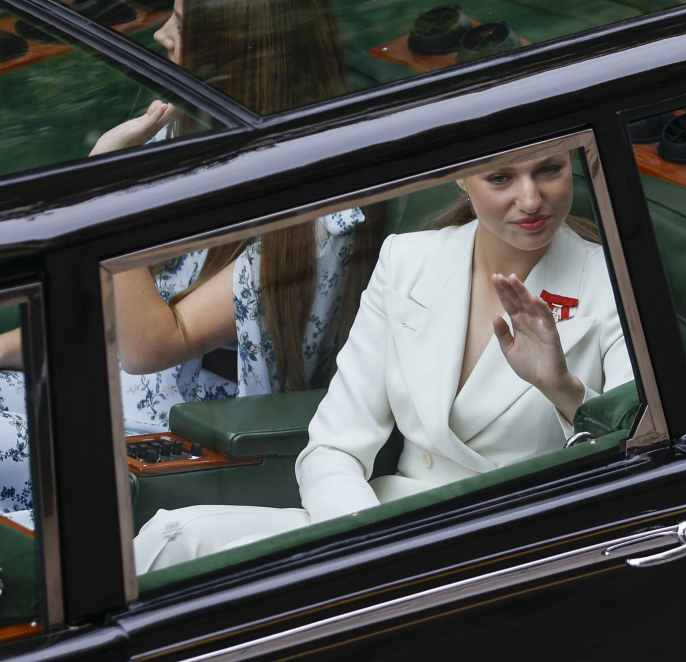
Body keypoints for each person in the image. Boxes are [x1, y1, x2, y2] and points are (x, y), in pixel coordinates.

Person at [133, 150, 633, 572]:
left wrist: (560, 386)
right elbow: (333, 447)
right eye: (500, 178)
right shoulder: (408, 261)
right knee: (172, 539)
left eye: (548, 170)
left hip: (504, 547)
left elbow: (637, 459)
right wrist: (367, 547)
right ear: (460, 175)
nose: (530, 200)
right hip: (381, 522)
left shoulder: (613, 284)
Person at [0, 0, 372, 519]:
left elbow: (148, 345)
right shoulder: (195, 134)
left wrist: (108, 185)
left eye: (181, 21)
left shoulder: (314, 220)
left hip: (182, 439)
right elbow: (105, 315)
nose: (160, 35)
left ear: (234, 47)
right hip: (103, 389)